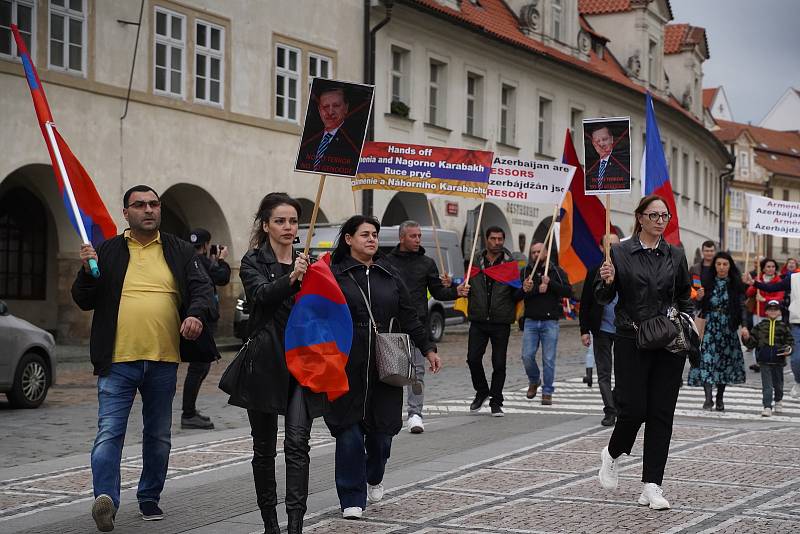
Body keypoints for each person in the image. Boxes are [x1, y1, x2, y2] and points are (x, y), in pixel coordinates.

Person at [72, 185, 216, 532]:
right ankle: (105, 500)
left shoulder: (179, 249)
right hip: (117, 360)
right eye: (140, 205)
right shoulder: (107, 251)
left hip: (163, 360)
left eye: (153, 204)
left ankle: (149, 496)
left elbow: (202, 288)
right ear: (126, 213)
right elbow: (83, 299)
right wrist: (86, 272)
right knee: (109, 432)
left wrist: (195, 314)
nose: (148, 210)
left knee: (158, 435)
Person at [326, 215, 441, 520]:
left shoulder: (388, 272)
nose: (372, 239)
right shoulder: (332, 274)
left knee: (382, 436)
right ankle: (351, 496)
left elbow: (409, 313)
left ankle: (374, 475)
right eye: (365, 234)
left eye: (375, 234)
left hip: (385, 362)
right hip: (346, 363)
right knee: (348, 431)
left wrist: (428, 347)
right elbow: (317, 314)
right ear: (348, 239)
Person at [595, 194, 692, 510]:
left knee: (662, 413)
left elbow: (684, 297)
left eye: (664, 216)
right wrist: (606, 281)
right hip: (631, 338)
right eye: (654, 215)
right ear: (640, 218)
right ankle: (611, 453)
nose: (660, 221)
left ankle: (652, 486)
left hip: (667, 342)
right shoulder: (620, 252)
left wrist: (687, 329)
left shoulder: (675, 255)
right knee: (634, 409)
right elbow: (603, 297)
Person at [232, 193, 319, 534]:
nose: (287, 227)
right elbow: (261, 296)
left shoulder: (308, 262)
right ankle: (271, 523)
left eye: (293, 221)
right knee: (264, 448)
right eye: (280, 221)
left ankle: (295, 524)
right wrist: (292, 278)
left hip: (302, 363)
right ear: (266, 225)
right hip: (266, 362)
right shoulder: (253, 261)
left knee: (298, 443)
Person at [385, 220, 465, 434]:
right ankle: (390, 414)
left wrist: (457, 290)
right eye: (413, 236)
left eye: (419, 235)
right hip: (393, 326)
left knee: (417, 372)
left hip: (418, 324)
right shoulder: (387, 262)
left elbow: (438, 292)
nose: (418, 239)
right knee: (391, 372)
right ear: (402, 237)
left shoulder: (427, 263)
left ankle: (415, 414)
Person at [465, 226, 522, 417]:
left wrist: (526, 289)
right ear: (486, 239)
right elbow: (467, 285)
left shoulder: (510, 264)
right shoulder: (475, 260)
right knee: (473, 359)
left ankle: (496, 401)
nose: (497, 242)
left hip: (501, 320)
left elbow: (516, 294)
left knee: (499, 363)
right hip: (479, 319)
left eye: (500, 239)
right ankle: (482, 391)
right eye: (493, 239)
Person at [181, 228, 231, 430]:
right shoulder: (200, 262)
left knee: (200, 366)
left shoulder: (190, 260)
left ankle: (189, 411)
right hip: (201, 319)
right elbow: (222, 277)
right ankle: (188, 413)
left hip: (197, 317)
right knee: (199, 366)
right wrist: (221, 260)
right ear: (206, 245)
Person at [687, 251, 747, 411]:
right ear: (714, 266)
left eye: (725, 264)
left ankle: (719, 398)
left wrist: (745, 326)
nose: (721, 267)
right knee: (706, 361)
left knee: (724, 365)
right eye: (718, 264)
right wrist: (698, 298)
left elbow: (741, 308)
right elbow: (697, 306)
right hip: (709, 328)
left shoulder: (735, 285)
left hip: (727, 329)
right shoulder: (706, 282)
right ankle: (708, 399)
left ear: (729, 266)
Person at [520, 240, 572, 406]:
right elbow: (516, 295)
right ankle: (534, 380)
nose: (536, 254)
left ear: (545, 253)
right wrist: (531, 289)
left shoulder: (556, 271)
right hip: (531, 321)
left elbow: (568, 291)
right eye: (533, 252)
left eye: (539, 251)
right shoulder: (526, 271)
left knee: (548, 359)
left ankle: (547, 391)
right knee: (527, 356)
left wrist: (550, 284)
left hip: (550, 322)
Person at [579, 233, 621, 426]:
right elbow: (586, 302)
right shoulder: (594, 271)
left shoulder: (626, 269)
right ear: (601, 248)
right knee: (604, 372)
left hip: (623, 328)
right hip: (601, 328)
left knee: (624, 372)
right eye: (608, 246)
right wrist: (584, 330)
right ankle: (610, 410)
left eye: (615, 245)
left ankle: (616, 400)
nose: (612, 249)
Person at [744, 267, 800, 399]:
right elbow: (772, 288)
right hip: (797, 323)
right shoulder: (794, 278)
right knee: (796, 360)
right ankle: (798, 381)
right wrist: (754, 283)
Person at [742, 299, 793, 417]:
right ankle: (767, 406)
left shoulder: (784, 327)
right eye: (770, 310)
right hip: (764, 361)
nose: (773, 312)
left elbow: (790, 342)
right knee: (767, 385)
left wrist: (788, 350)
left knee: (778, 384)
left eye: (776, 310)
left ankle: (778, 400)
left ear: (780, 312)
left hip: (778, 361)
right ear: (766, 312)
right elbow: (751, 343)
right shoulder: (760, 326)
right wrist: (746, 338)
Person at [295, 87, 362, 176]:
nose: (330, 112)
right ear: (319, 110)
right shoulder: (308, 143)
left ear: (346, 108)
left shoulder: (355, 143)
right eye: (325, 107)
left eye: (336, 106)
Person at [584, 125, 629, 191]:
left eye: (604, 139)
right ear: (593, 144)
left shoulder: (623, 163)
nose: (601, 144)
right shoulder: (589, 168)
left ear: (612, 139)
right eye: (597, 141)